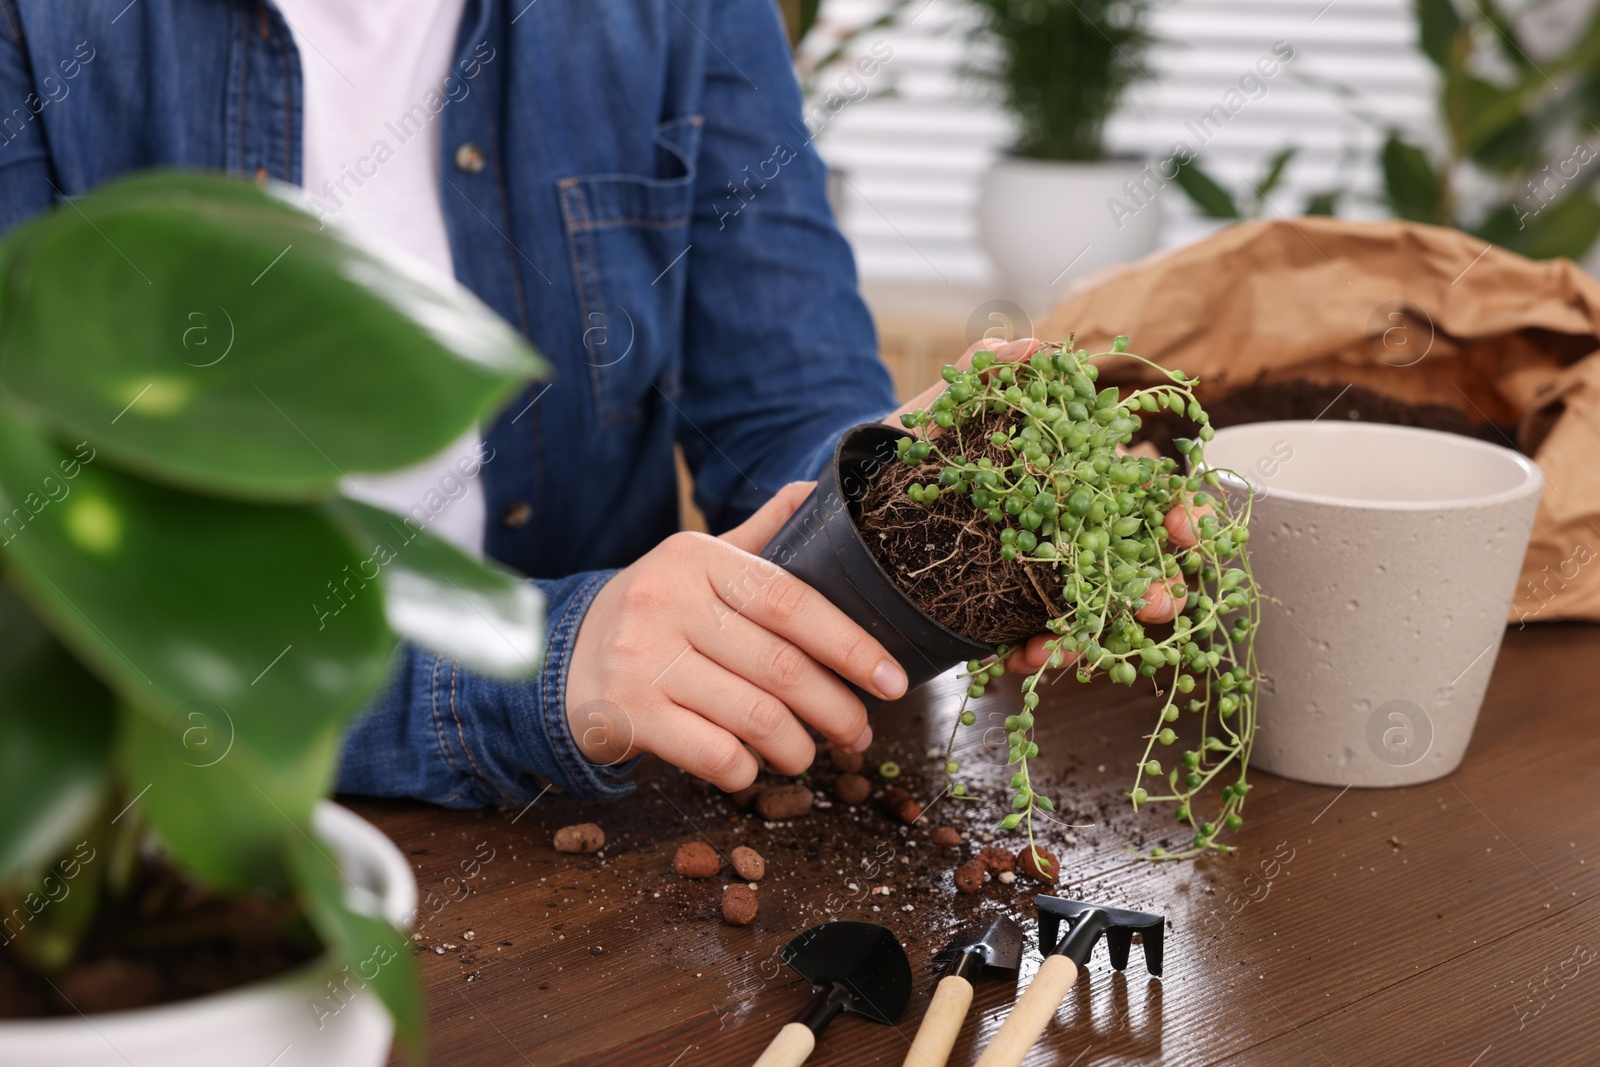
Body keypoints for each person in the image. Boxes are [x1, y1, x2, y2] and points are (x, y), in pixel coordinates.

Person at [0, 1, 1194, 808]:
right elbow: (42, 593)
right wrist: (539, 667)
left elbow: (780, 399)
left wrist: (916, 522)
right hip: (140, 848)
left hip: (587, 841)